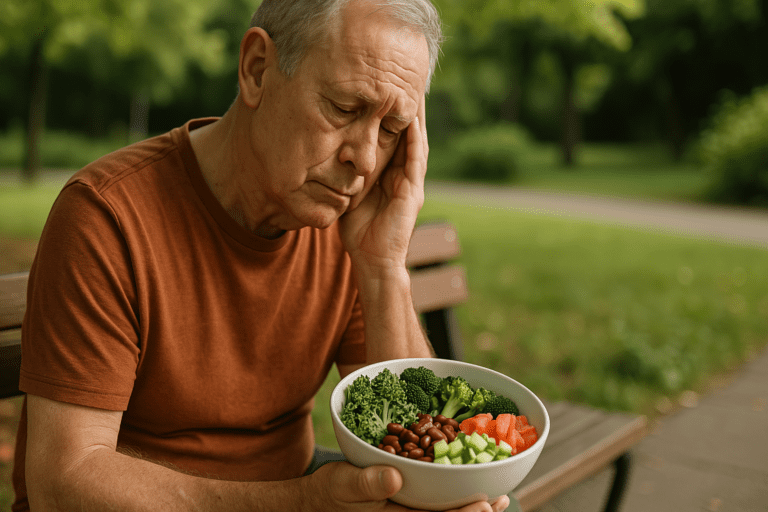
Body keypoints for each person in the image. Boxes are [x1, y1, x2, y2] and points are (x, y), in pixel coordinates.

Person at [12, 1, 510, 510]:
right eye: (344, 108)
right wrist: (297, 503)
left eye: (390, 130)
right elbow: (64, 481)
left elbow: (417, 437)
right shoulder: (107, 218)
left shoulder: (344, 224)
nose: (363, 157)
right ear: (256, 70)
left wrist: (383, 267)